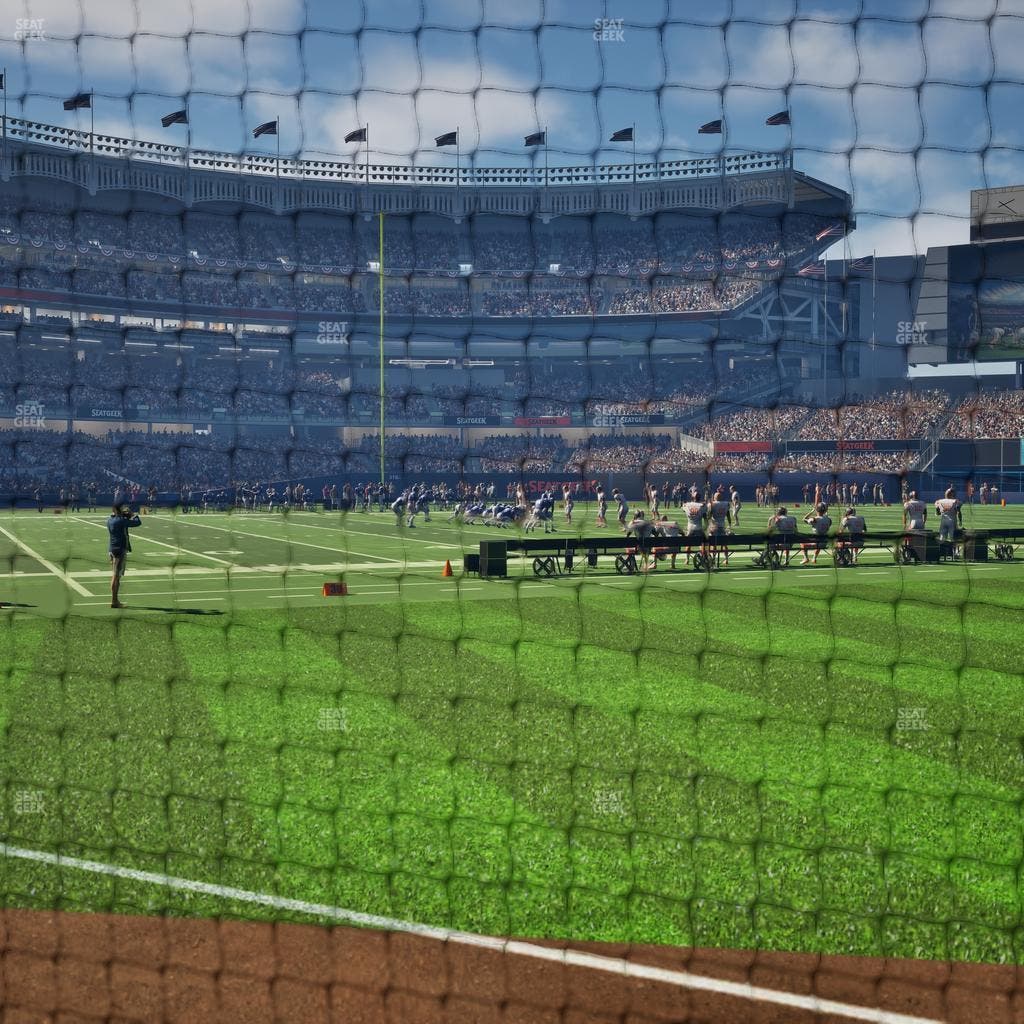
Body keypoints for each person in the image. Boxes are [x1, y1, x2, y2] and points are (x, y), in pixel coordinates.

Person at [107, 502, 142, 609]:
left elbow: (117, 519)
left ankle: (115, 600)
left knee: (115, 575)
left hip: (112, 549)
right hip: (120, 549)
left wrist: (122, 515)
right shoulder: (121, 521)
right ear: (118, 510)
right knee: (116, 576)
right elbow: (137, 522)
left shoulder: (110, 520)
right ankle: (114, 601)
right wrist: (131, 514)